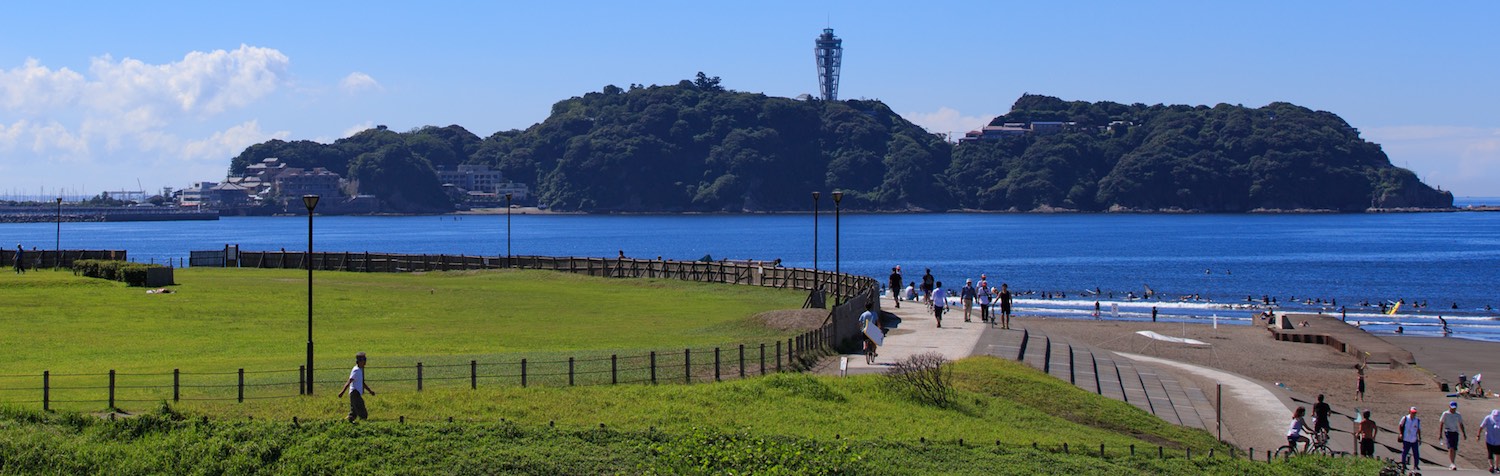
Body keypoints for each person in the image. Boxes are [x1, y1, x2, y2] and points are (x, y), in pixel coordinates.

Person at [338, 352, 376, 422]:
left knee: (353, 414)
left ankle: (342, 422)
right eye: (364, 360)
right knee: (363, 413)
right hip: (355, 393)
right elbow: (349, 381)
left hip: (355, 394)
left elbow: (362, 383)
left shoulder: (360, 370)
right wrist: (342, 392)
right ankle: (363, 424)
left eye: (365, 359)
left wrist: (370, 391)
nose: (365, 362)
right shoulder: (356, 370)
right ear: (359, 361)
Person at [1441, 401, 1468, 470]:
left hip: (1455, 432)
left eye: (1454, 408)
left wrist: (1464, 433)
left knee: (1455, 448)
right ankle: (1452, 463)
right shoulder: (1445, 414)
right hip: (1448, 431)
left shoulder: (1458, 414)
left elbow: (1461, 424)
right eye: (1452, 408)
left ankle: (1453, 462)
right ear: (1449, 406)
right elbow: (1442, 423)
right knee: (1451, 448)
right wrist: (1440, 434)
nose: (1453, 409)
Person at [1399, 406, 1422, 471]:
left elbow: (1418, 429)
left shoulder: (1417, 420)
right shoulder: (1405, 418)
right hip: (1406, 438)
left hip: (1414, 438)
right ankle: (1403, 464)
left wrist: (1419, 438)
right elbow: (1400, 425)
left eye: (1414, 413)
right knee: (1405, 452)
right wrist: (1401, 433)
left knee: (1416, 453)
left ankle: (1416, 465)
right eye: (1412, 412)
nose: (1413, 414)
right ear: (1410, 412)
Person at [1477, 409, 1500, 473]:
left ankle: (1497, 467)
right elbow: (1481, 426)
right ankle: (1491, 466)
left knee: (1498, 454)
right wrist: (1478, 435)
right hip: (1489, 439)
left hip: (1498, 440)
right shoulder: (1488, 418)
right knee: (1490, 453)